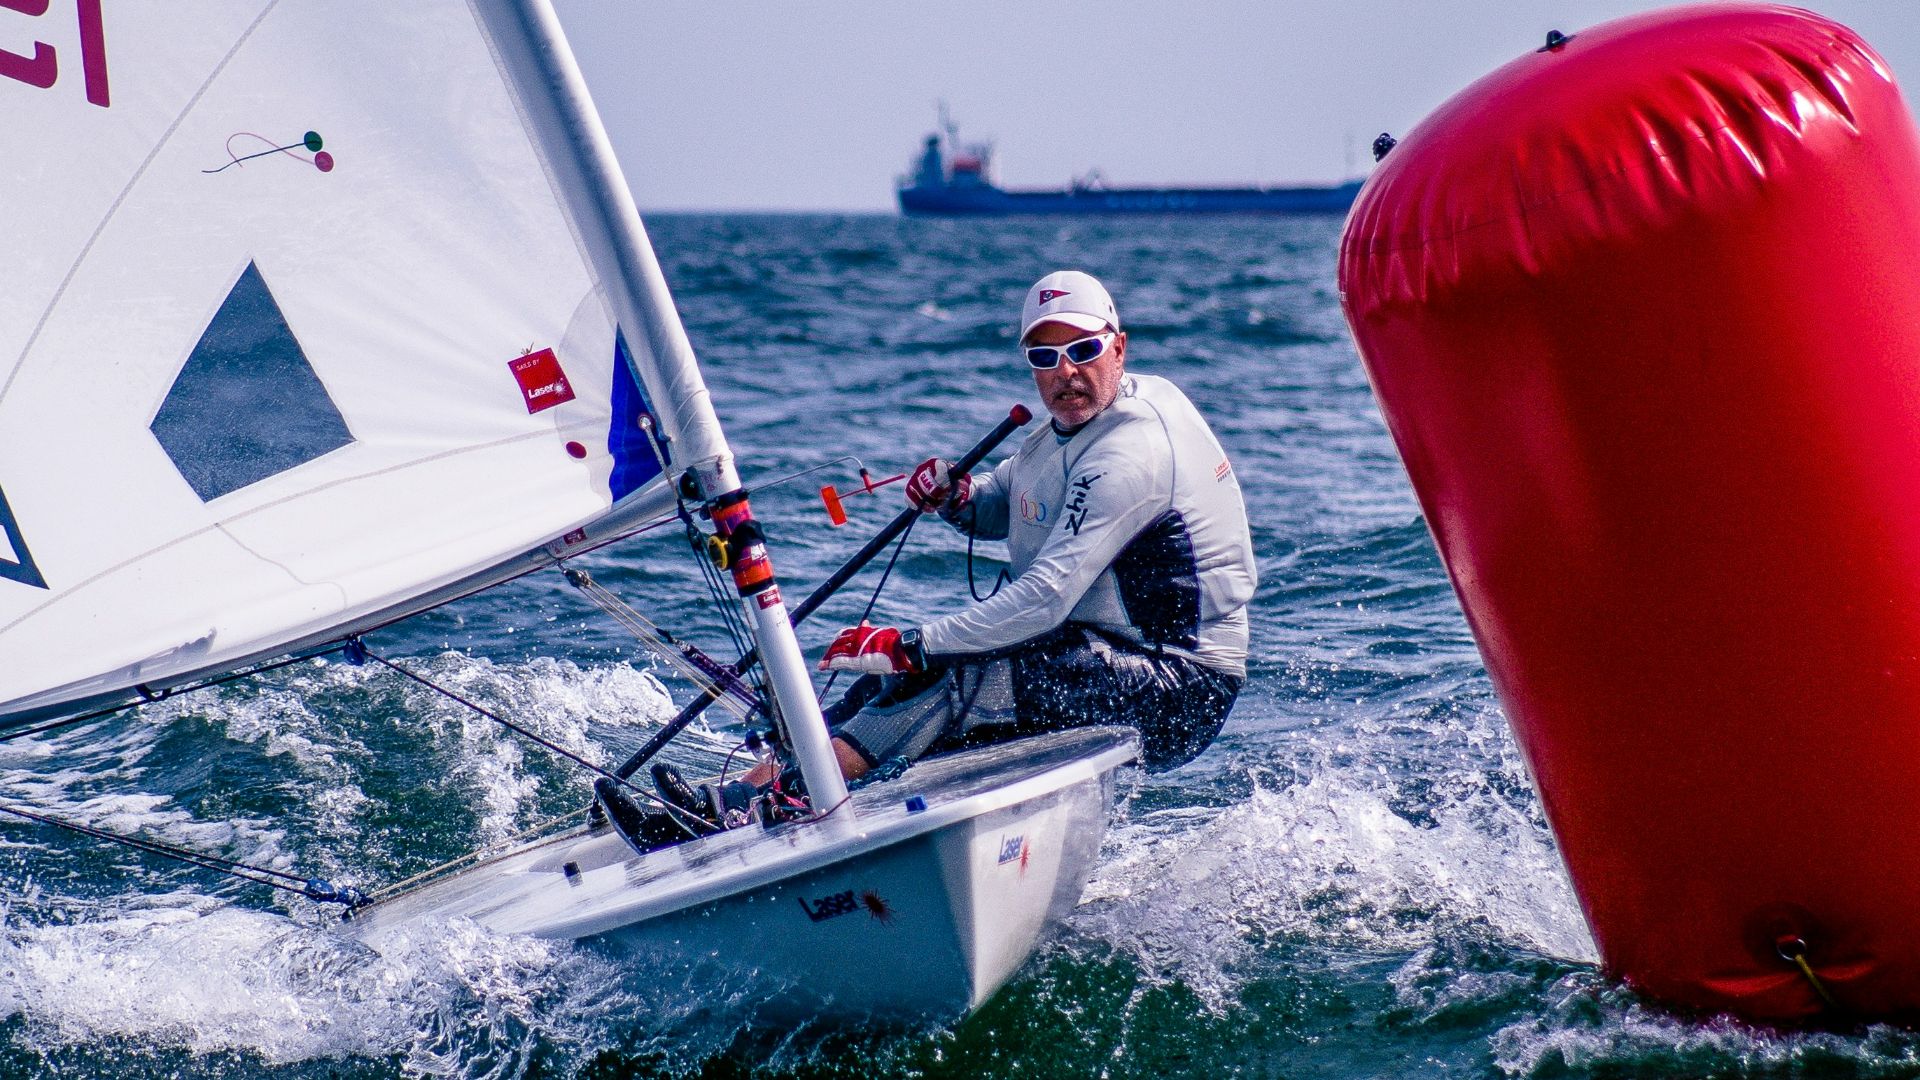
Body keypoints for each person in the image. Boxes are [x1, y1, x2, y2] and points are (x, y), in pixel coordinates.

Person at [801, 268, 1258, 781]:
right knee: (883, 688)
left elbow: (1046, 598)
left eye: (1083, 350)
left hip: (1180, 686)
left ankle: (797, 797)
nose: (1065, 372)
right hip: (1091, 654)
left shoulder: (1133, 451)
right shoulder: (1071, 428)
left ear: (1119, 348)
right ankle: (759, 785)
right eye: (1045, 358)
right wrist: (960, 496)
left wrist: (913, 642)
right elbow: (1013, 497)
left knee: (943, 675)